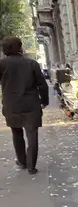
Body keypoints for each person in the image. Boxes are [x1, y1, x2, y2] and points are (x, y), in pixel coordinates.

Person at [0, 36, 49, 174]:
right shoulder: (32, 63)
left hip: (11, 105)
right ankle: (31, 166)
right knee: (32, 134)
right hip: (31, 104)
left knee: (16, 133)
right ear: (20, 47)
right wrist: (44, 101)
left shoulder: (2, 64)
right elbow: (42, 85)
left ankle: (22, 162)